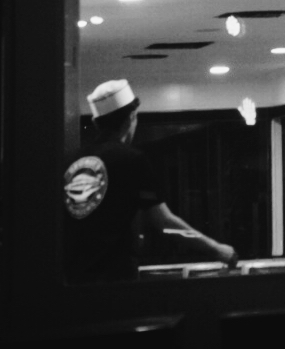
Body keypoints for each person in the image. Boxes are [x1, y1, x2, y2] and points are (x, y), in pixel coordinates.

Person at [63, 79, 237, 281]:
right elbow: (164, 223)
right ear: (131, 117)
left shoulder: (71, 161)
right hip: (113, 280)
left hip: (71, 279)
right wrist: (217, 249)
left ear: (96, 123)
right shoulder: (131, 159)